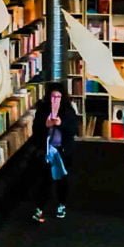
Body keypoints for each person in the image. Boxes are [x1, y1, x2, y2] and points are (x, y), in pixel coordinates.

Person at [32, 83, 80, 222]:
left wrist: (61, 124)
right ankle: (40, 207)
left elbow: (73, 130)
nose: (55, 99)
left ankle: (61, 204)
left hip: (62, 150)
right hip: (46, 149)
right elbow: (35, 129)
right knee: (44, 179)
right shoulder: (42, 109)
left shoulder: (68, 110)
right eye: (53, 96)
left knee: (62, 179)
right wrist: (45, 125)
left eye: (58, 96)